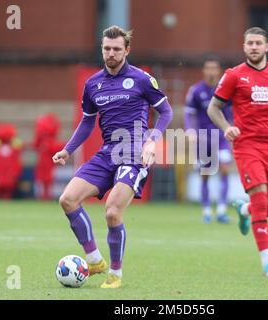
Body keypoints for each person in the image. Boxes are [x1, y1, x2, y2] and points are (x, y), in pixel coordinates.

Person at [52, 25, 173, 288]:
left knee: (112, 212)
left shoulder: (142, 79)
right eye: (107, 48)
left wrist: (152, 142)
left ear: (127, 50)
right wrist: (67, 149)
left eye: (117, 49)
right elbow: (86, 123)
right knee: (68, 200)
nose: (111, 53)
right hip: (108, 152)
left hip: (134, 154)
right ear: (102, 48)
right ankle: (94, 260)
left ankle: (115, 274)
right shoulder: (93, 83)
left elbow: (166, 113)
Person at [207, 27, 268, 277]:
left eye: (258, 43)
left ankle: (244, 210)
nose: (254, 47)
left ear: (266, 47)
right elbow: (213, 108)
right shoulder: (234, 75)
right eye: (249, 43)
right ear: (244, 47)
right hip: (247, 145)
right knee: (260, 200)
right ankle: (267, 262)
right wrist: (227, 128)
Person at [184, 56, 233, 224]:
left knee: (225, 169)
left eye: (214, 68)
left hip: (222, 137)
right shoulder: (196, 90)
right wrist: (190, 130)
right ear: (204, 71)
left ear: (218, 70)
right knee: (205, 174)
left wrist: (233, 128)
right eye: (208, 68)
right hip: (204, 139)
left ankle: (221, 210)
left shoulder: (225, 89)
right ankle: (206, 210)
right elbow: (189, 113)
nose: (211, 71)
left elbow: (233, 113)